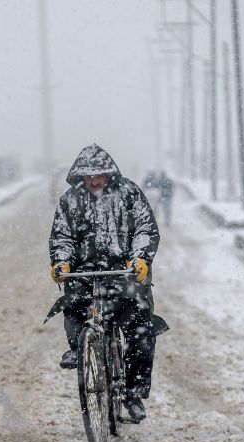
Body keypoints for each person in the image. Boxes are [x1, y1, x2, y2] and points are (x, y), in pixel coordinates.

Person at [48, 143, 168, 423]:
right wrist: (62, 262)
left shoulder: (129, 193)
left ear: (108, 173)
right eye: (88, 175)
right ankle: (79, 347)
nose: (94, 180)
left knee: (140, 325)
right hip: (85, 275)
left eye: (98, 174)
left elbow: (145, 228)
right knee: (74, 303)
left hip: (124, 273)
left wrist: (140, 258)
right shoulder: (70, 201)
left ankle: (133, 391)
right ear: (80, 175)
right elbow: (62, 237)